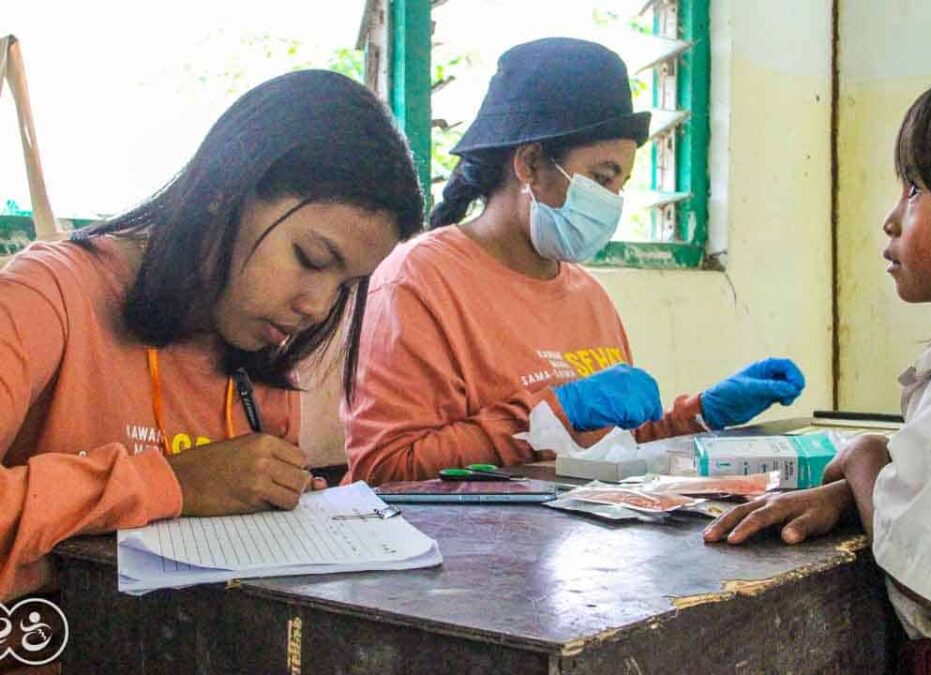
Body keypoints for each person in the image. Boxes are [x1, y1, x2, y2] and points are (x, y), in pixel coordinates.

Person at [703, 56, 931, 672]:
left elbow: (922, 563)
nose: (891, 217)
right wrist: (854, 497)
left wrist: (864, 456)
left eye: (914, 188)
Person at [0, 69, 424, 600]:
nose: (317, 307)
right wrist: (169, 482)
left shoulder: (259, 357)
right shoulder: (47, 296)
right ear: (222, 193)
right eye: (310, 259)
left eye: (345, 286)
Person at [341, 38, 805, 485]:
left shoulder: (588, 296)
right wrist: (550, 414)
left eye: (620, 183)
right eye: (601, 177)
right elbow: (387, 470)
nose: (612, 202)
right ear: (530, 164)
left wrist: (702, 415)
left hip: (572, 555)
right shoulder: (418, 282)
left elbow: (614, 450)